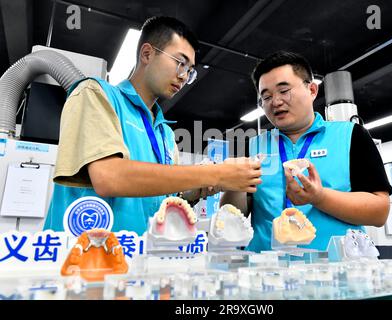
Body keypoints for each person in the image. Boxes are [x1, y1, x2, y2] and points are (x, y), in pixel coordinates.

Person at [44, 16, 262, 235]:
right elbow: (108, 176)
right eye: (180, 63)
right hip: (86, 259)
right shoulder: (96, 95)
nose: (184, 76)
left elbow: (167, 196)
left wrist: (205, 186)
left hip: (139, 258)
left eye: (190, 70)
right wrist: (215, 174)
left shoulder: (164, 133)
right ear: (147, 53)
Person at [221, 51, 392, 252]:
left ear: (312, 90)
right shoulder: (253, 146)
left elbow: (379, 212)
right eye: (266, 96)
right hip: (266, 273)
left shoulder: (351, 136)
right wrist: (233, 183)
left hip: (335, 274)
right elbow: (233, 215)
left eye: (284, 91)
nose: (275, 102)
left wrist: (319, 198)